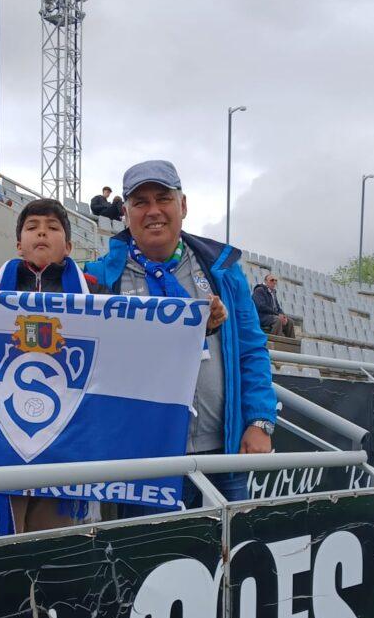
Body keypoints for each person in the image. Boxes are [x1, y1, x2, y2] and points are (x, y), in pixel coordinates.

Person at [84, 159, 277, 504]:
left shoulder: (222, 269)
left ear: (183, 205)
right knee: (149, 542)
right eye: (140, 202)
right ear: (125, 212)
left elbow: (251, 349)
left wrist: (260, 421)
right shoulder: (100, 278)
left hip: (222, 454)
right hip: (142, 459)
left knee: (231, 540)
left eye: (163, 199)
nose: (153, 211)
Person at [0, 198, 106, 538]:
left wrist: (201, 326)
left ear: (69, 246)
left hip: (66, 443)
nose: (42, 233)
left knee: (55, 548)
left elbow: (142, 334)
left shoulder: (96, 292)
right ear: (19, 244)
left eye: (52, 227)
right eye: (32, 227)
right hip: (2, 442)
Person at [252, 273, 296, 338]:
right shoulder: (259, 290)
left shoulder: (273, 292)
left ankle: (291, 343)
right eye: (272, 280)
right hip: (262, 316)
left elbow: (278, 307)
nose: (274, 282)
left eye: (275, 280)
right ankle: (275, 341)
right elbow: (261, 306)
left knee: (290, 322)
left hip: (272, 316)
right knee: (278, 320)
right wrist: (277, 314)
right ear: (265, 281)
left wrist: (283, 316)